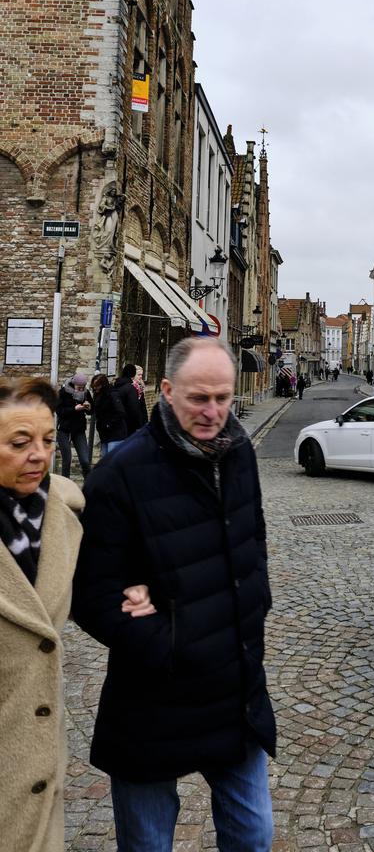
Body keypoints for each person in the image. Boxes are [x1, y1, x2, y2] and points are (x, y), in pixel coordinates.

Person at [71, 338, 275, 852]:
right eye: (198, 399)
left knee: (253, 836)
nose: (213, 412)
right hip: (152, 699)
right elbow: (95, 591)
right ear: (165, 391)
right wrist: (166, 641)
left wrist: (256, 604)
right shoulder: (120, 475)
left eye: (223, 398)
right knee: (147, 844)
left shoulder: (239, 451)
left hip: (235, 688)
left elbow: (253, 536)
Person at [0, 376, 85, 851]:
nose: (39, 454)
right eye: (20, 442)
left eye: (49, 440)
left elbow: (92, 595)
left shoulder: (62, 518)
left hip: (38, 765)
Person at [56, 369, 93, 479]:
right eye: (79, 387)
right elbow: (59, 411)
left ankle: (89, 485)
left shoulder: (86, 393)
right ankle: (65, 485)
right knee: (67, 460)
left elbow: (91, 410)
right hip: (64, 430)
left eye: (83, 387)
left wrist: (88, 407)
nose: (81, 389)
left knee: (85, 460)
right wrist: (74, 409)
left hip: (79, 430)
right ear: (74, 384)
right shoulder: (63, 392)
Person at [90, 374, 128, 457]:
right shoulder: (97, 395)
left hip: (116, 433)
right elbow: (97, 411)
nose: (95, 388)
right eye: (94, 386)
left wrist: (109, 424)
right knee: (104, 458)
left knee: (111, 459)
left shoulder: (112, 394)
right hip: (104, 434)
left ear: (103, 385)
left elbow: (121, 412)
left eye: (97, 386)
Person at [113, 364, 146, 437]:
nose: (140, 377)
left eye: (142, 375)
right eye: (138, 374)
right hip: (130, 425)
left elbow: (143, 408)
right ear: (133, 375)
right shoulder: (130, 388)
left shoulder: (140, 387)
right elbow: (133, 409)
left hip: (138, 423)